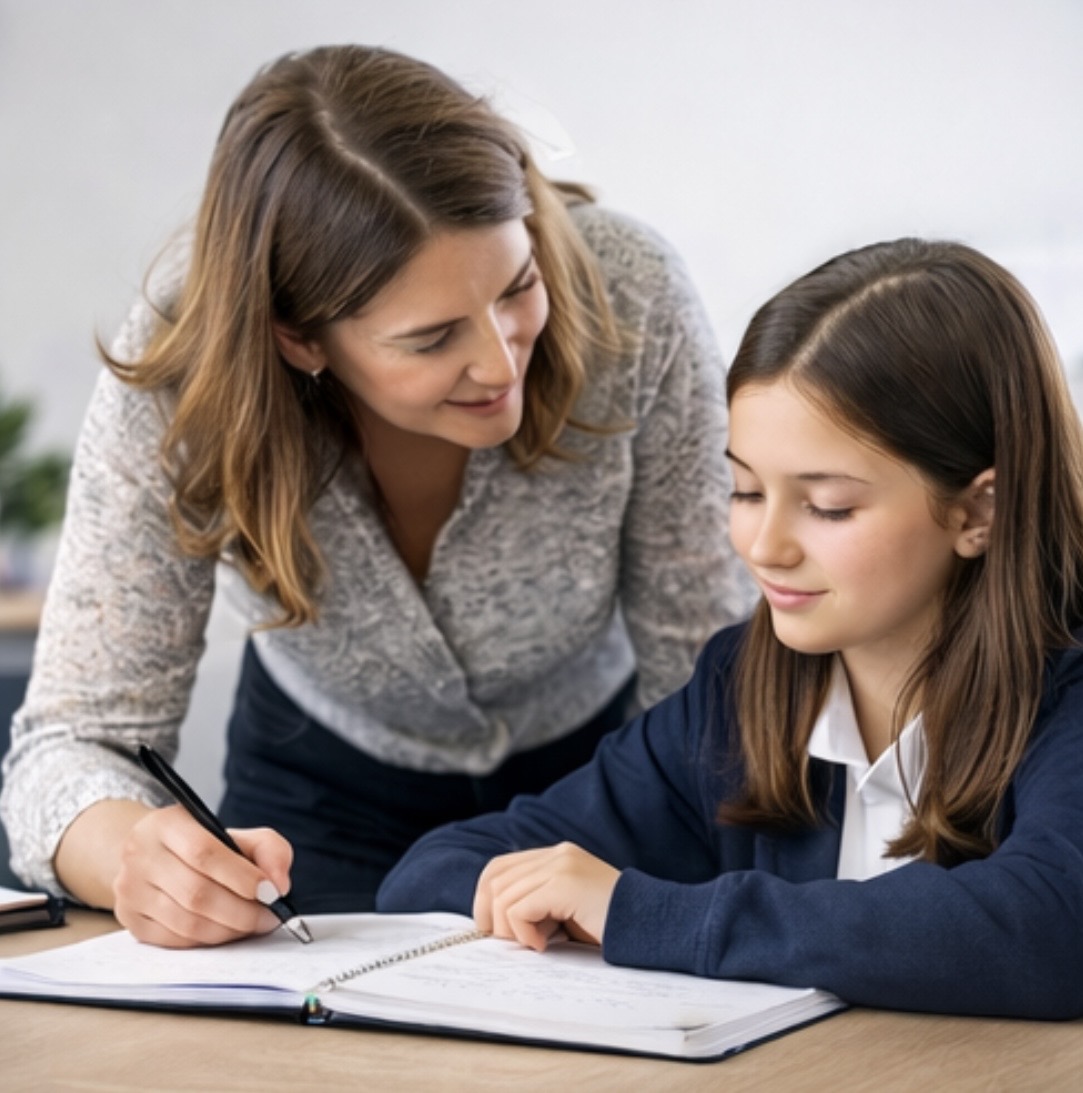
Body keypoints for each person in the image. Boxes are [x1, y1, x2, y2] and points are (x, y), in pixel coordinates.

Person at [0, 45, 753, 946]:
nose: (499, 359)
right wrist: (134, 853)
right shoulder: (182, 373)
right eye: (431, 337)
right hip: (315, 803)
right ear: (297, 338)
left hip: (600, 777)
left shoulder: (632, 293)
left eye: (517, 287)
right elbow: (72, 743)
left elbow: (712, 677)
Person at [378, 238, 1083, 1020]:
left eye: (827, 505)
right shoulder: (737, 686)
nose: (762, 545)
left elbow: (1051, 927)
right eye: (744, 489)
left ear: (976, 511)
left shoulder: (1067, 692)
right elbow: (438, 869)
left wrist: (648, 913)